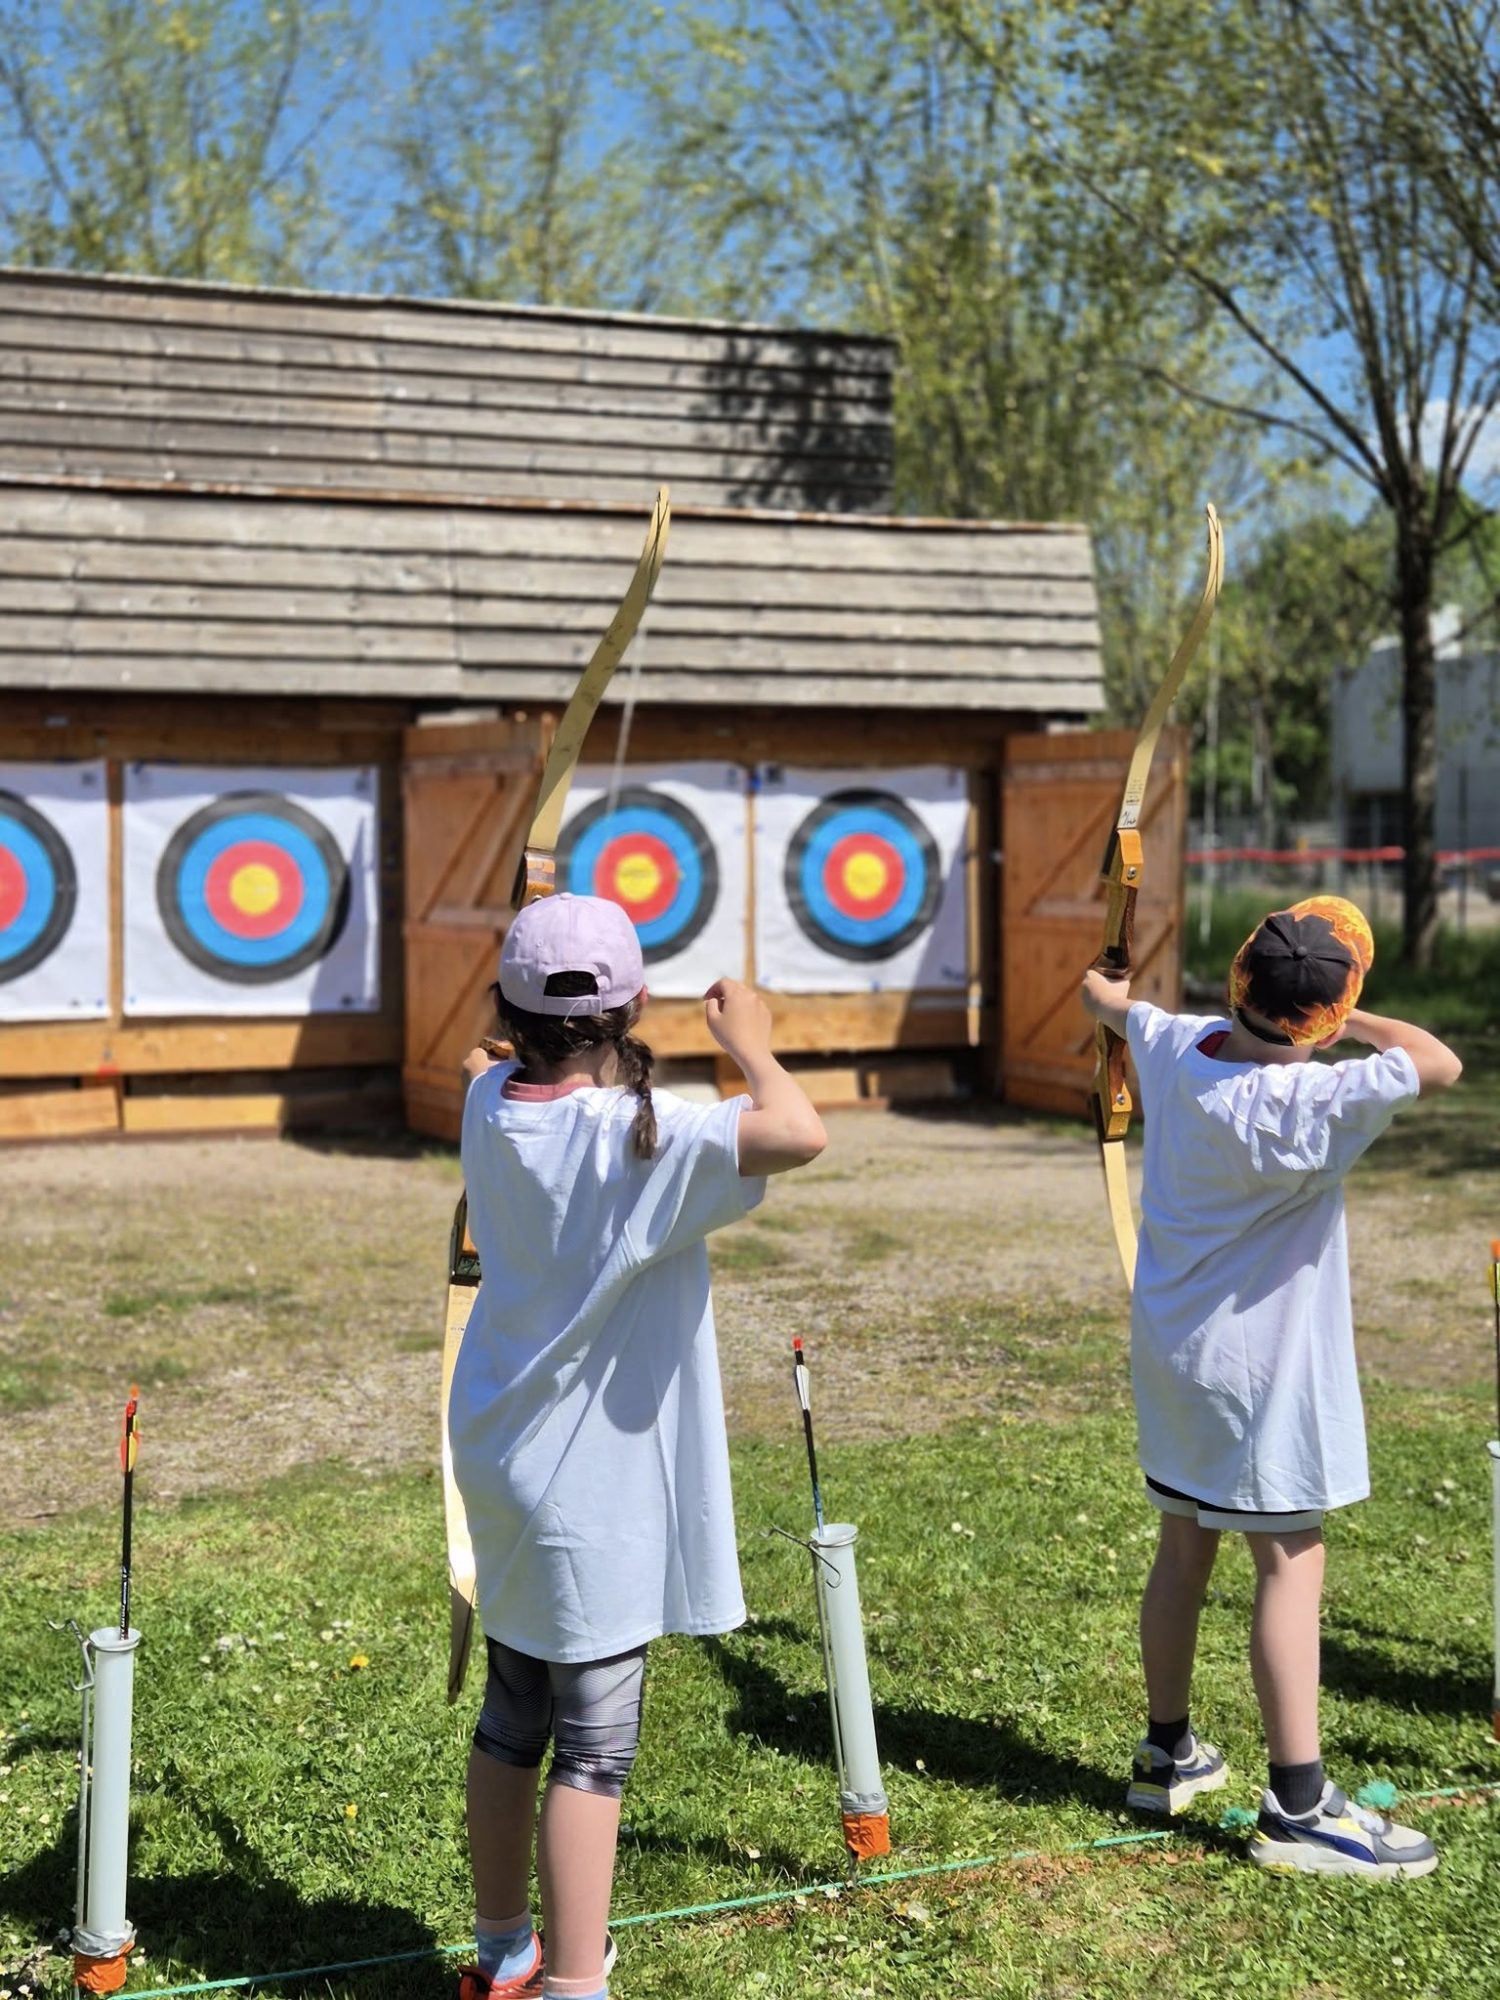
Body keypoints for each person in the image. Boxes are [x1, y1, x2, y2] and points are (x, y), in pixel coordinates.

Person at [451, 893, 827, 1999]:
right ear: (636, 1007)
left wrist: (519, 1032)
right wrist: (749, 1042)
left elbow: (503, 1064)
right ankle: (575, 1984)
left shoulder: (485, 1100)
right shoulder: (640, 1136)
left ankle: (504, 1952)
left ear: (508, 1011)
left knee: (513, 1711)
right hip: (593, 1493)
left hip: (505, 1462)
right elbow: (798, 1130)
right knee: (595, 1747)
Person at [1081, 895, 1462, 1878]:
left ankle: (1168, 1750)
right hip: (1263, 1379)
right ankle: (1298, 1804)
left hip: (1177, 1362)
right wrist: (1351, 1020)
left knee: (1183, 1545)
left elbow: (1108, 1001)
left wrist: (1106, 984)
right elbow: (1437, 1061)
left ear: (1236, 981)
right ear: (1323, 1021)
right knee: (1291, 1561)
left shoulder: (1177, 1046)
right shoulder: (1318, 1101)